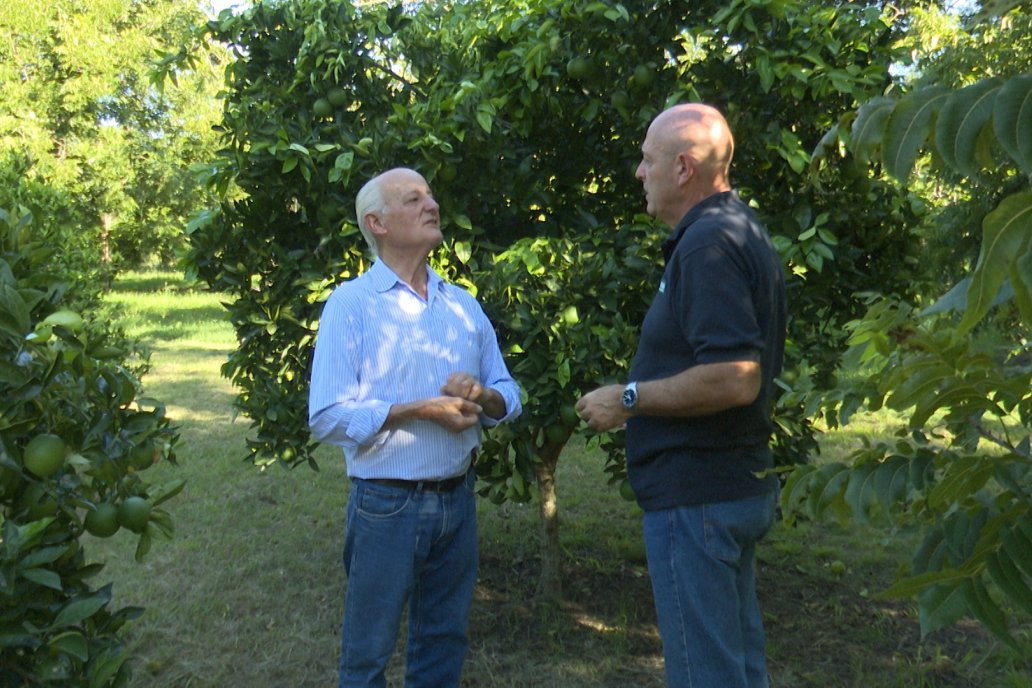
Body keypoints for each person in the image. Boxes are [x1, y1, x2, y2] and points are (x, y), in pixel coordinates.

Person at [576, 103, 787, 688]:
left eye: (647, 160)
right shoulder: (735, 230)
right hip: (728, 488)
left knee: (706, 675)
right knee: (737, 669)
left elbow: (736, 375)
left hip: (699, 498)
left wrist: (627, 399)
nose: (639, 173)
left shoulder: (708, 245)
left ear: (684, 167)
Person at [308, 167, 522, 688]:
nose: (432, 205)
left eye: (430, 194)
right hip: (387, 504)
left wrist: (485, 396)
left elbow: (508, 392)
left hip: (457, 499)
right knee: (367, 655)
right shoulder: (352, 305)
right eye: (414, 198)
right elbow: (327, 417)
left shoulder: (461, 304)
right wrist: (421, 409)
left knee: (442, 646)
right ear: (377, 222)